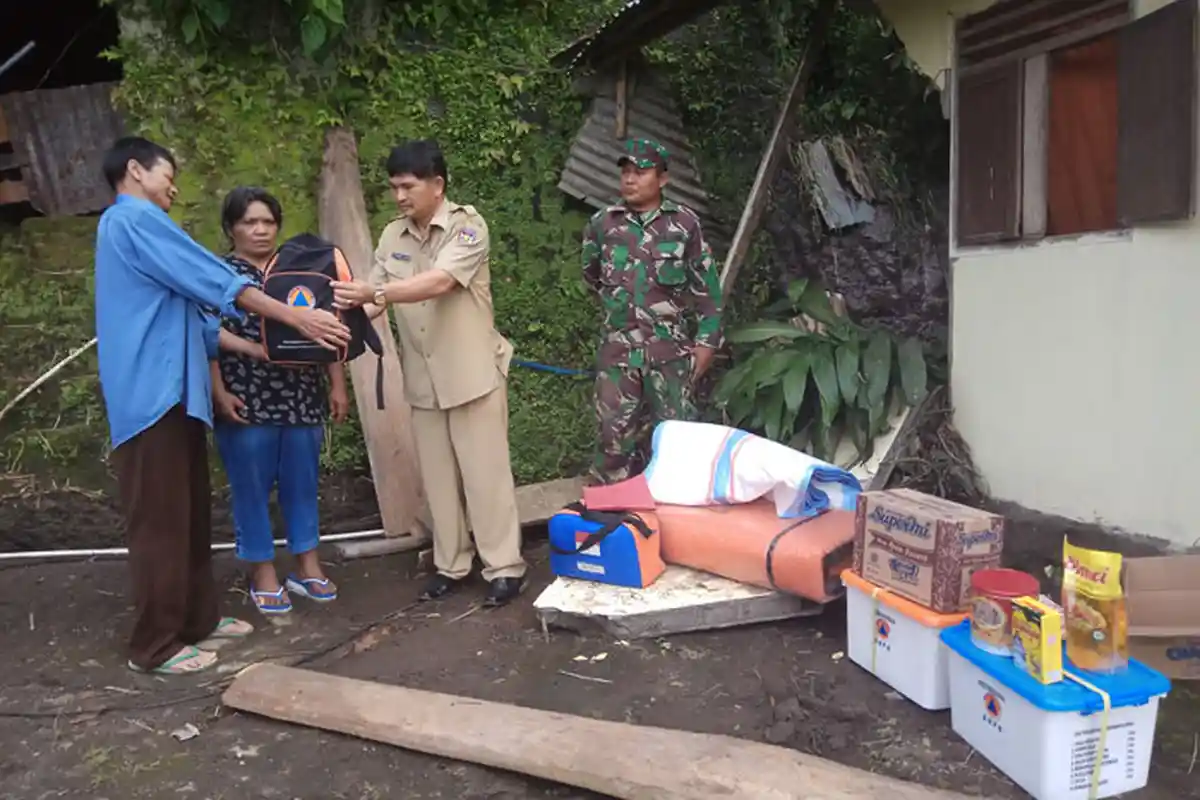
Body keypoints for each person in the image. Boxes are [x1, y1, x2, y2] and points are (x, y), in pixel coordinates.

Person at [94, 136, 350, 675]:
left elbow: (200, 317)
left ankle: (197, 620)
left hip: (178, 394)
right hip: (151, 394)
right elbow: (214, 282)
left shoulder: (138, 225)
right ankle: (155, 645)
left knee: (188, 512)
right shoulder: (132, 221)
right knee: (160, 520)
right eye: (168, 174)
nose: (174, 186)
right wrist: (296, 318)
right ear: (136, 170)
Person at [330, 139, 527, 607]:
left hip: (473, 374)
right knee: (438, 482)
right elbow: (374, 294)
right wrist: (340, 323)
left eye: (408, 185)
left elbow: (438, 282)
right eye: (394, 187)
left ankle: (504, 567)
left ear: (437, 185)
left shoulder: (467, 228)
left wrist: (374, 296)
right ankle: (452, 565)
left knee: (486, 478)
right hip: (423, 382)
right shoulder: (392, 236)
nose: (399, 195)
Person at [207, 186, 350, 616]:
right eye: (249, 222)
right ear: (231, 228)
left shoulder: (300, 268)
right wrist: (219, 391)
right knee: (251, 485)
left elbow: (328, 327)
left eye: (268, 221)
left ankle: (307, 563)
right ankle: (262, 571)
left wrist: (337, 384)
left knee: (302, 483)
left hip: (302, 393)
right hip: (246, 392)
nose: (260, 230)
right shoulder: (217, 273)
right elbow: (205, 332)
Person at [582, 138, 725, 485]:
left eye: (640, 172)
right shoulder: (603, 224)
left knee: (678, 442)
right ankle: (611, 524)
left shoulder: (684, 225)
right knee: (612, 442)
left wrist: (706, 343)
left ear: (662, 179)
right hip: (618, 356)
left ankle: (679, 521)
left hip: (670, 355)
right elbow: (591, 277)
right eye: (626, 172)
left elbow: (707, 292)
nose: (629, 179)